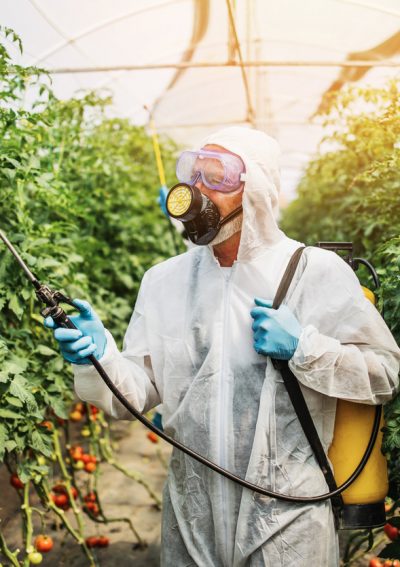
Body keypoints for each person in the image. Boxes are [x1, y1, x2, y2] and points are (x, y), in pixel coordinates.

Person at [45, 127, 400, 566]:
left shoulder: (316, 273)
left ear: (258, 192)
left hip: (287, 518)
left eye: (217, 178)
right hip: (192, 519)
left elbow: (383, 374)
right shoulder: (164, 282)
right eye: (195, 176)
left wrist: (305, 349)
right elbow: (139, 393)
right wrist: (100, 359)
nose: (197, 192)